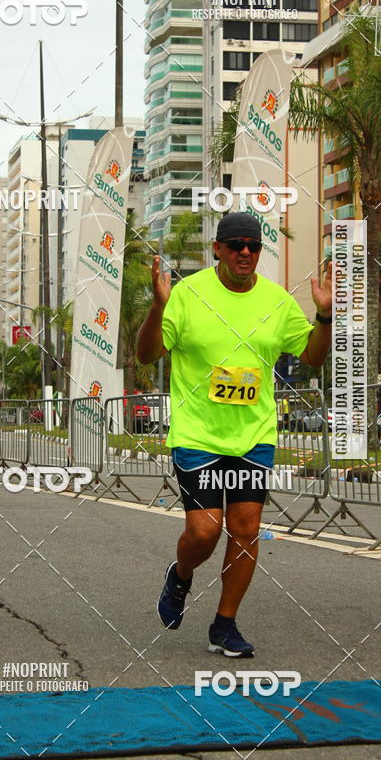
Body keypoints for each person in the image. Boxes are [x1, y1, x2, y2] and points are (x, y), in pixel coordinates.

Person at [136, 212, 332, 657]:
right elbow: (146, 355)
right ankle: (181, 575)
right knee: (205, 533)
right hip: (198, 434)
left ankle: (224, 624)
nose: (246, 252)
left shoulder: (278, 301)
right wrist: (157, 307)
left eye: (254, 246)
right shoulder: (187, 295)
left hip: (254, 435)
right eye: (237, 244)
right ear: (218, 250)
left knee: (245, 531)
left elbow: (313, 357)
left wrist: (323, 317)